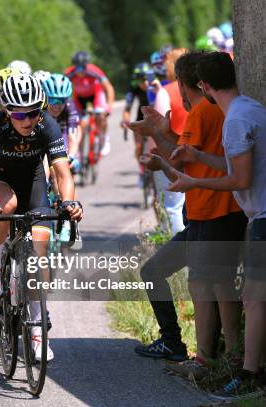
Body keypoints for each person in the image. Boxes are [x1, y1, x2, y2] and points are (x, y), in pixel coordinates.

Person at [130, 51, 247, 377]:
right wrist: (161, 134)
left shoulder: (201, 114)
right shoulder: (209, 112)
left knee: (209, 285)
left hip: (214, 212)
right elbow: (183, 160)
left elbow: (177, 165)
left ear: (186, 83)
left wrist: (155, 135)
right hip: (204, 214)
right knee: (184, 278)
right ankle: (204, 352)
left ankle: (211, 357)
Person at [167, 52, 266, 400]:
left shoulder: (235, 120)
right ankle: (247, 368)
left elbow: (238, 179)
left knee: (254, 301)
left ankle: (248, 375)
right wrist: (198, 158)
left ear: (204, 86)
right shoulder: (250, 107)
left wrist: (195, 183)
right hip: (258, 219)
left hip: (263, 219)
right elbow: (231, 165)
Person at [0, 74, 82, 361]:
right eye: (20, 114)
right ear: (7, 110)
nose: (27, 120)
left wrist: (68, 201)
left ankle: (38, 333)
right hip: (1, 179)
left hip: (34, 179)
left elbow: (62, 172)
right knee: (7, 205)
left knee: (40, 251)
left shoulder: (46, 124)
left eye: (33, 112)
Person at [149, 48, 188, 235]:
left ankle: (178, 253)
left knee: (172, 206)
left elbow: (157, 128)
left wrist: (151, 154)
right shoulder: (200, 89)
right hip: (198, 153)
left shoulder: (166, 92)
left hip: (170, 155)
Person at [64, 51, 115, 156]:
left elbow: (109, 88)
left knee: (100, 116)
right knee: (78, 122)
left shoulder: (94, 70)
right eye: (77, 68)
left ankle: (103, 138)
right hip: (79, 98)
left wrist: (109, 107)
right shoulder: (69, 72)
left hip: (95, 95)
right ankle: (78, 148)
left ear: (86, 65)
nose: (80, 71)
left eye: (83, 68)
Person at [41, 73, 82, 174]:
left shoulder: (70, 107)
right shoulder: (40, 107)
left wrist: (71, 157)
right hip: (43, 138)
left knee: (67, 170)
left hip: (62, 134)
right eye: (52, 100)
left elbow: (72, 137)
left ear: (66, 99)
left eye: (61, 101)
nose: (56, 106)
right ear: (46, 98)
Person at [122, 62, 153, 165]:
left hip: (156, 114)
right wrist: (125, 120)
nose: (143, 83)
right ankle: (142, 169)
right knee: (138, 147)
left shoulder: (155, 83)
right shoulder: (134, 86)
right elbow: (127, 108)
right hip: (142, 115)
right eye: (140, 80)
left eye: (145, 79)